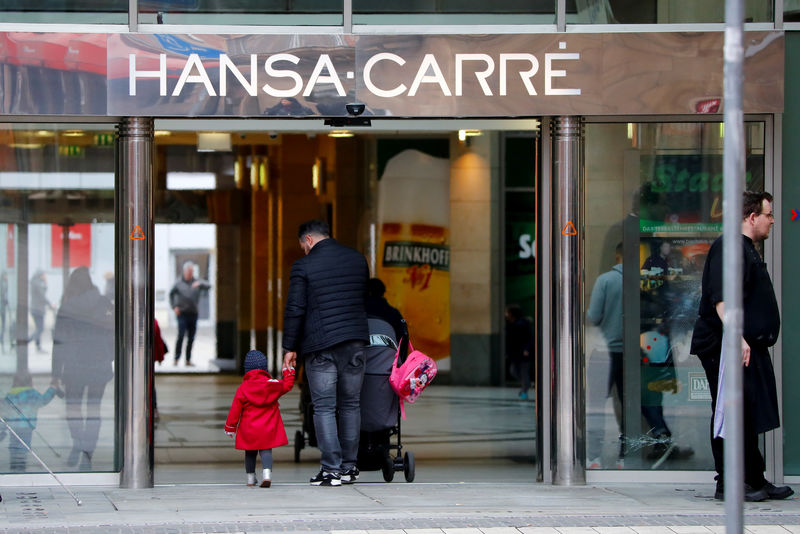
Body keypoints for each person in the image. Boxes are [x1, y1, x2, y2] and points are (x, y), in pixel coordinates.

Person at [691, 190, 793, 502]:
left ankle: (754, 478)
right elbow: (720, 297)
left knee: (747, 411)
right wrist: (737, 337)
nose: (773, 220)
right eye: (769, 214)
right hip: (727, 344)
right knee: (729, 410)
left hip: (746, 345)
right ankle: (729, 483)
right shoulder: (728, 246)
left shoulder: (745, 247)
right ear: (751, 217)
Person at [282, 220, 369, 487]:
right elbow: (362, 297)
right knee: (351, 405)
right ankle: (349, 468)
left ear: (308, 239)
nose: (303, 250)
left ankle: (331, 470)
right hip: (354, 342)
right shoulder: (357, 260)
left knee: (324, 407)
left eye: (302, 246)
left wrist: (290, 348)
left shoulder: (304, 266)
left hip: (321, 345)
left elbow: (295, 308)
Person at [51, 266, 114, 471]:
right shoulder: (104, 303)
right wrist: (110, 356)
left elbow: (58, 342)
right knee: (94, 410)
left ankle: (78, 442)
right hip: (99, 365)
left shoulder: (67, 306)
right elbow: (115, 333)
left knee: (74, 409)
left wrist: (56, 374)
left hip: (74, 366)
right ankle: (87, 454)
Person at [225, 350, 295, 487]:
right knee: (266, 450)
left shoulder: (243, 388)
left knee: (250, 453)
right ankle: (267, 474)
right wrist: (289, 371)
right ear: (264, 368)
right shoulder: (272, 385)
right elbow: (287, 385)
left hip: (248, 428)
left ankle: (250, 478)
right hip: (267, 428)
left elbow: (235, 409)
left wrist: (230, 427)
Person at [586, 243, 625, 469]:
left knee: (596, 406)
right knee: (629, 407)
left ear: (616, 255)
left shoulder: (605, 281)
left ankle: (594, 457)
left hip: (603, 353)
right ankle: (625, 456)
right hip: (629, 355)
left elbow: (593, 316)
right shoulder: (639, 283)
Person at [2, 371, 58, 471]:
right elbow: (44, 400)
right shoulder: (33, 394)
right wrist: (52, 388)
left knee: (14, 445)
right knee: (23, 447)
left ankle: (14, 464)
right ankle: (20, 465)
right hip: (27, 426)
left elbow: (5, 414)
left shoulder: (10, 396)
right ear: (30, 382)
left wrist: (2, 429)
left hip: (13, 427)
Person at [169, 261, 211, 367]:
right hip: (182, 314)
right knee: (181, 335)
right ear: (185, 271)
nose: (190, 273)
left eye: (192, 271)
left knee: (191, 338)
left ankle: (188, 360)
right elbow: (171, 294)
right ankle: (176, 359)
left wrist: (200, 283)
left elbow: (209, 285)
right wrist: (174, 307)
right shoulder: (178, 283)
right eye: (189, 271)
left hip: (193, 313)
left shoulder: (197, 282)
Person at [505, 304, 533, 401]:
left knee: (524, 372)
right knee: (513, 371)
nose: (506, 314)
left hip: (524, 352)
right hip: (515, 353)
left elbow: (528, 338)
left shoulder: (523, 324)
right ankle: (526, 384)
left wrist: (527, 349)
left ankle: (524, 392)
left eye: (507, 312)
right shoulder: (511, 324)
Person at [365, 277, 405, 342]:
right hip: (390, 351)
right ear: (383, 291)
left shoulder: (360, 313)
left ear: (368, 292)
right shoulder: (394, 313)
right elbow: (402, 339)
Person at [29, 270, 52, 353]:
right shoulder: (37, 284)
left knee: (39, 328)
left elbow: (43, 293)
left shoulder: (36, 282)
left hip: (36, 309)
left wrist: (45, 283)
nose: (45, 276)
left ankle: (38, 347)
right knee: (40, 328)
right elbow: (42, 297)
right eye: (44, 275)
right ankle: (26, 342)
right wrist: (50, 304)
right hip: (37, 309)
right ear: (40, 275)